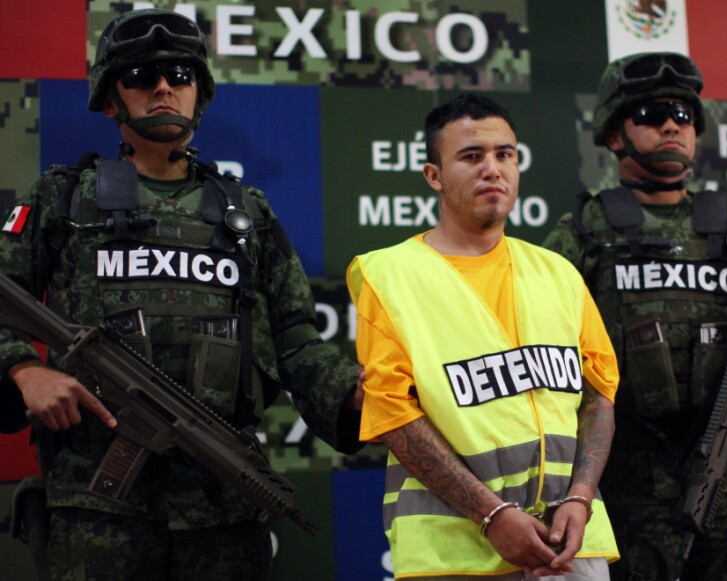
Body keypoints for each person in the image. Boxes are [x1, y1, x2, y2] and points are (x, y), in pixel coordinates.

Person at [0, 9, 363, 579]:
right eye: (142, 75)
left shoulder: (247, 213)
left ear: (200, 92)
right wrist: (24, 370)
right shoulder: (64, 198)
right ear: (110, 97)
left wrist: (352, 392)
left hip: (222, 503)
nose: (164, 87)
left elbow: (296, 341)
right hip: (97, 507)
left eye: (179, 74)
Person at [542, 52, 727, 580]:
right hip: (630, 471)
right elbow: (538, 338)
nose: (673, 124)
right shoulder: (584, 230)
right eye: (650, 115)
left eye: (683, 114)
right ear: (612, 134)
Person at [347, 93, 620, 580]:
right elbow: (390, 412)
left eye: (505, 154)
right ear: (434, 176)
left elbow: (599, 395)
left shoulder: (558, 272)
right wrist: (492, 515)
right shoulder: (388, 274)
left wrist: (580, 498)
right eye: (471, 157)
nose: (492, 168)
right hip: (456, 553)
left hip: (571, 542)